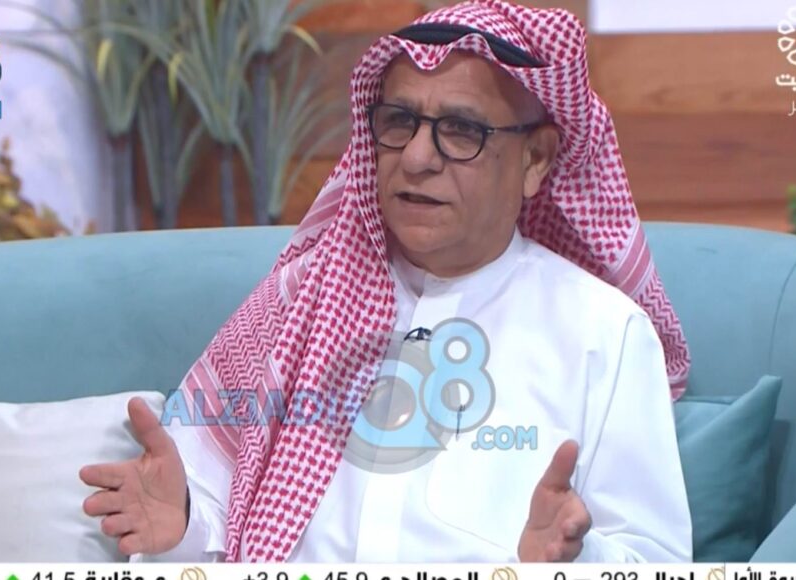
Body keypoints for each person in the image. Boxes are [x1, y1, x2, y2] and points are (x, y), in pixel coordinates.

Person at [79, 0, 693, 564]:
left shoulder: (603, 332)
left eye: (462, 130)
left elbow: (656, 559)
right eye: (399, 122)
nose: (417, 158)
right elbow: (212, 509)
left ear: (535, 160)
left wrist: (567, 563)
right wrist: (183, 526)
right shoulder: (304, 297)